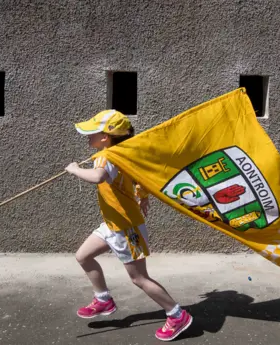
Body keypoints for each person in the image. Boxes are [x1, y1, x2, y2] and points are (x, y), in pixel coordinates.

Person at [65, 109, 193, 342]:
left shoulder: (108, 156)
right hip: (113, 223)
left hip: (126, 227)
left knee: (139, 278)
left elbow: (98, 177)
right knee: (83, 256)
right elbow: (137, 175)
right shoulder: (120, 153)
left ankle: (177, 315)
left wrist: (74, 170)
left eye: (93, 131)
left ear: (106, 136)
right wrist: (142, 195)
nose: (87, 136)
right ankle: (103, 299)